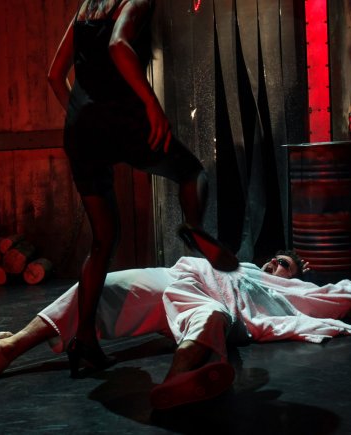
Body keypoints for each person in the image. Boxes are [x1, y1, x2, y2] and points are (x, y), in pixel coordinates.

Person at [47, 0, 237, 375]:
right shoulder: (136, 0)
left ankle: (84, 342)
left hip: (80, 130)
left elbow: (54, 75)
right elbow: (118, 44)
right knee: (191, 173)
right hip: (122, 122)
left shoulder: (86, 6)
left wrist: (81, 117)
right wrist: (152, 104)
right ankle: (194, 227)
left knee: (103, 240)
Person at [0, 250, 351, 409]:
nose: (275, 266)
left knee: (209, 317)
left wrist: (330, 291)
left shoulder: (285, 287)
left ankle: (173, 383)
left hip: (215, 301)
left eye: (284, 265)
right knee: (95, 288)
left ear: (294, 276)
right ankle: (5, 350)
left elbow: (338, 294)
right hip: (176, 276)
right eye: (275, 259)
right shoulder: (241, 263)